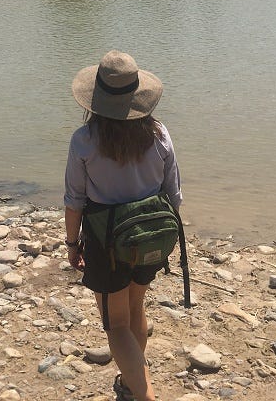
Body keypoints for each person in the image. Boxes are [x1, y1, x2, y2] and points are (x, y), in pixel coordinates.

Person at [64, 50, 182, 401]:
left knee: (116, 323)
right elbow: (173, 194)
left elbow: (75, 201)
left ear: (95, 100)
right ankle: (131, 383)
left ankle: (145, 394)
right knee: (135, 308)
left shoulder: (84, 140)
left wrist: (72, 245)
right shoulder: (159, 134)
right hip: (150, 233)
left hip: (106, 238)